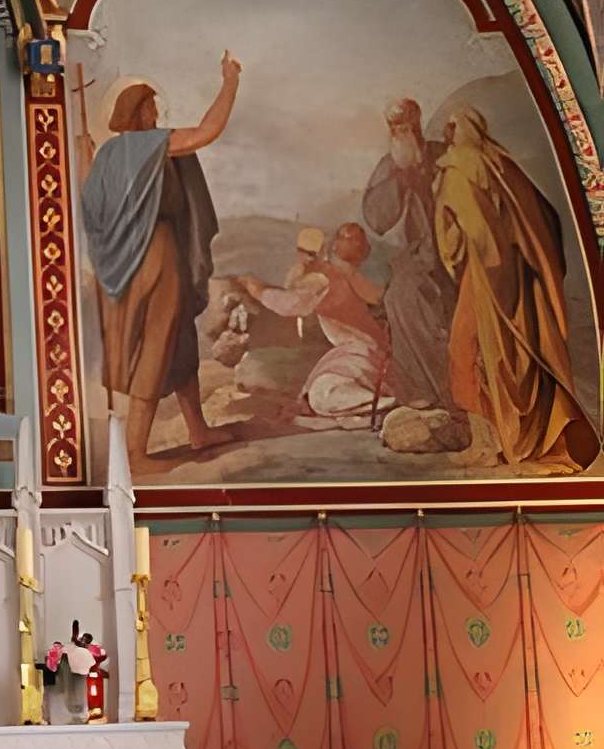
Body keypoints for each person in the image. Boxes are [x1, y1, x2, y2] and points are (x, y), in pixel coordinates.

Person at [78, 53, 240, 467]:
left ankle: (198, 430)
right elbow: (207, 131)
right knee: (156, 345)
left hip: (125, 263)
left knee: (178, 337)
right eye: (150, 106)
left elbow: (92, 208)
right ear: (137, 112)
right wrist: (230, 82)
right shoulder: (146, 145)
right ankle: (135, 451)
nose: (156, 113)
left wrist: (85, 159)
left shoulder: (107, 156)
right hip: (156, 254)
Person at [433, 107, 600, 473]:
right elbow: (542, 221)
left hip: (486, 275)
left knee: (467, 349)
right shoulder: (501, 163)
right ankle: (513, 441)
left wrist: (457, 252)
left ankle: (489, 444)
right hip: (521, 275)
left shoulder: (460, 167)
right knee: (522, 356)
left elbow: (475, 232)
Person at [238, 221, 393, 429]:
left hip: (364, 354)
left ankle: (385, 406)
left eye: (309, 253)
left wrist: (257, 291)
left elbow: (292, 304)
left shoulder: (326, 277)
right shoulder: (344, 277)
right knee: (319, 392)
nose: (306, 259)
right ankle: (369, 411)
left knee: (322, 394)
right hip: (364, 354)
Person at [360, 97, 454, 410]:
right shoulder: (391, 165)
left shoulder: (441, 153)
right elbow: (377, 219)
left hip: (456, 247)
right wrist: (400, 178)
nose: (401, 133)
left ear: (416, 126)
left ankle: (455, 388)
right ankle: (421, 389)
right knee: (400, 296)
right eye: (395, 128)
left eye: (406, 127)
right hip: (422, 254)